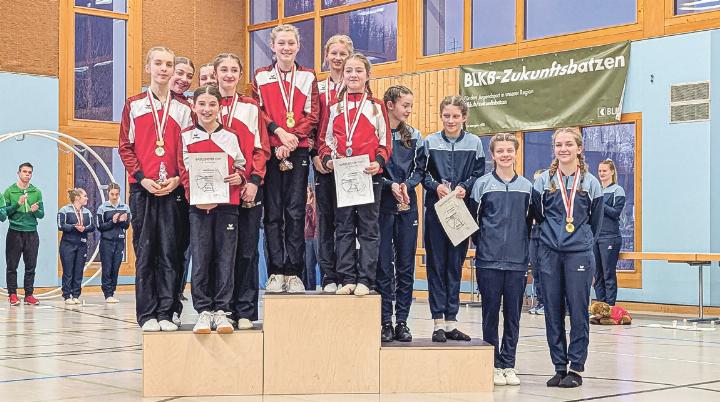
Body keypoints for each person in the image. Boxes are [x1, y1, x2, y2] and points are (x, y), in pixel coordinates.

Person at [119, 46, 193, 332]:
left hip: (174, 189)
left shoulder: (184, 109)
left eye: (169, 64)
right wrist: (141, 177)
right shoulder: (134, 104)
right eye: (158, 63)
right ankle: (147, 314)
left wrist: (177, 179)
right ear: (148, 67)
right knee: (146, 251)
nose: (164, 68)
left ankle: (167, 311)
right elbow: (125, 146)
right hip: (143, 189)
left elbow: (189, 149)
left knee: (171, 252)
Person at [532, 127, 603, 388]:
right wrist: (553, 237)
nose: (563, 149)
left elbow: (595, 223)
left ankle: (576, 368)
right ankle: (559, 366)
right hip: (549, 253)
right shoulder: (543, 182)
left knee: (578, 311)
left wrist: (579, 241)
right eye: (558, 145)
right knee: (552, 310)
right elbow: (538, 216)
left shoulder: (591, 183)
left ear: (579, 149)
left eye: (568, 144)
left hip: (579, 255)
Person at [253, 24, 319, 293]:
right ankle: (275, 272)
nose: (286, 48)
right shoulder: (260, 77)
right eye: (281, 43)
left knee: (295, 212)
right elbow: (258, 112)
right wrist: (279, 134)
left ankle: (293, 272)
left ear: (298, 46)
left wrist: (292, 140)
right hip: (271, 150)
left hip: (298, 149)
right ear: (272, 46)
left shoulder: (308, 77)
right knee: (272, 215)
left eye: (291, 43)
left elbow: (312, 115)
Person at [319, 53, 391, 296]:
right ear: (344, 75)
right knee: (345, 227)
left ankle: (366, 279)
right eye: (349, 70)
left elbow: (385, 142)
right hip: (344, 177)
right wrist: (329, 161)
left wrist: (378, 162)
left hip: (369, 175)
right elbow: (325, 141)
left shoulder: (376, 106)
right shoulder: (334, 107)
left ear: (367, 75)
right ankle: (347, 277)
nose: (353, 75)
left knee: (369, 228)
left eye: (358, 71)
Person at [179, 84, 246, 335]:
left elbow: (241, 167)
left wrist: (239, 178)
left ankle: (222, 311)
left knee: (225, 258)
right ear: (194, 107)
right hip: (199, 208)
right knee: (201, 258)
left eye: (212, 104)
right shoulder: (185, 136)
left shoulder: (231, 136)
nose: (207, 109)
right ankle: (203, 311)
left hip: (227, 207)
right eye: (202, 104)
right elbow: (183, 172)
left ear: (220, 107)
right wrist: (195, 197)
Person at [471, 133, 533, 386]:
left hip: (517, 263)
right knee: (489, 315)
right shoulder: (482, 185)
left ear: (515, 153)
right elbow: (474, 223)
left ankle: (509, 364)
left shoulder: (528, 187)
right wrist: (485, 246)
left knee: (513, 316)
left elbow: (530, 224)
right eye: (500, 151)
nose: (505, 155)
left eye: (510, 150)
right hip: (488, 262)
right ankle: (492, 363)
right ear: (493, 155)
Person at [421, 96, 485, 342]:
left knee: (455, 267)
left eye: (456, 116)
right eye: (446, 115)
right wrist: (435, 186)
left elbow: (479, 173)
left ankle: (451, 322)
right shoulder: (430, 142)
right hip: (437, 213)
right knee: (436, 266)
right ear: (441, 116)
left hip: (461, 212)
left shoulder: (475, 142)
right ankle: (438, 322)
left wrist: (466, 187)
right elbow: (422, 173)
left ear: (464, 117)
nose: (451, 120)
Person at [215, 52, 270, 329]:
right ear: (215, 74)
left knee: (248, 250)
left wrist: (253, 181)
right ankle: (221, 308)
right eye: (223, 69)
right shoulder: (204, 105)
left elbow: (261, 148)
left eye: (234, 70)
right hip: (217, 192)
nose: (228, 74)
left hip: (247, 189)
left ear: (239, 75)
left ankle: (245, 310)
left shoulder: (251, 107)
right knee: (221, 251)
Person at [376, 85, 423, 342]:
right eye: (405, 105)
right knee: (384, 265)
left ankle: (402, 320)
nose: (409, 110)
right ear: (390, 104)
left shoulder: (414, 135)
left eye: (411, 106)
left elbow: (420, 169)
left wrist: (408, 185)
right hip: (382, 204)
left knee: (405, 265)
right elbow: (371, 168)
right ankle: (384, 320)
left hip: (407, 203)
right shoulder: (376, 133)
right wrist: (389, 185)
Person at [313, 34, 354, 293]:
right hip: (323, 163)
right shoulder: (317, 88)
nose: (337, 58)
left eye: (343, 54)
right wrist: (315, 155)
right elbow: (313, 123)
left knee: (347, 222)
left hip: (349, 165)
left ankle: (347, 273)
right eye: (334, 53)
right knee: (325, 221)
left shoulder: (357, 85)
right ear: (326, 56)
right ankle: (328, 275)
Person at [4, 162, 44, 306]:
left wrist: (36, 210)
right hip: (15, 232)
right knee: (12, 265)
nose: (27, 174)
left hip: (32, 233)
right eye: (24, 172)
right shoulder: (9, 191)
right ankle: (13, 295)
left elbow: (42, 214)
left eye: (29, 172)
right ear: (18, 173)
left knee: (31, 265)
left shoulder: (36, 192)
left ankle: (29, 295)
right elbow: (5, 213)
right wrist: (17, 204)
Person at [595, 159, 625, 306]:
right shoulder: (597, 190)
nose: (601, 173)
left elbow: (615, 213)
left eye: (604, 171)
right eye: (600, 171)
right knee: (597, 274)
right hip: (596, 237)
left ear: (612, 172)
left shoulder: (617, 190)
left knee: (608, 273)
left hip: (610, 237)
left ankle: (610, 306)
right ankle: (600, 306)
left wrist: (600, 203)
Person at [57, 188, 96, 304]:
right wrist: (74, 227)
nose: (87, 198)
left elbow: (92, 227)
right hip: (67, 244)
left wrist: (84, 228)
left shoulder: (87, 212)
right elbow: (60, 225)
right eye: (85, 196)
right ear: (78, 198)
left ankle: (76, 295)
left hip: (82, 244)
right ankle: (67, 296)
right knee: (68, 270)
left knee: (79, 271)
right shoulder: (64, 210)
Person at [96, 183, 131, 303]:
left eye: (116, 194)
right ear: (108, 193)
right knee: (107, 267)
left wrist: (121, 221)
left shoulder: (125, 207)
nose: (114, 196)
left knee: (116, 267)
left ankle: (112, 291)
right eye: (112, 194)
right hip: (107, 241)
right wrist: (113, 221)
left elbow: (126, 226)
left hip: (119, 241)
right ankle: (107, 293)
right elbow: (100, 226)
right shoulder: (102, 208)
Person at [529, 168, 546, 315]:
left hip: (545, 238)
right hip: (533, 237)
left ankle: (548, 303)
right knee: (536, 272)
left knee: (545, 271)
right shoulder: (532, 198)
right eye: (535, 180)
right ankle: (540, 302)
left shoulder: (547, 198)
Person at [303, 185, 320, 290]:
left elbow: (315, 221)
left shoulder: (314, 203)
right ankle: (310, 288)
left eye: (308, 192)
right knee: (308, 266)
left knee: (319, 262)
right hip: (306, 237)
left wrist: (309, 206)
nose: (306, 194)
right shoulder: (299, 202)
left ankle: (326, 285)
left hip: (315, 236)